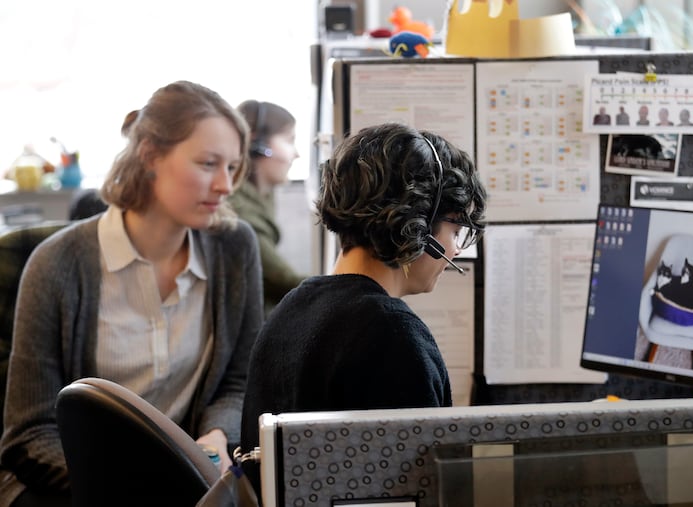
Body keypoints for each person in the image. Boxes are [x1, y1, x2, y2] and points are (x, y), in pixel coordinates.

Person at [0, 80, 264, 507]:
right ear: (150, 157)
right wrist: (130, 485)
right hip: (71, 484)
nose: (224, 185)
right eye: (208, 163)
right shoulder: (57, 265)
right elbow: (28, 435)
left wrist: (217, 434)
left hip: (185, 483)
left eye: (232, 168)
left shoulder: (234, 248)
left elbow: (237, 381)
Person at [239, 122, 487, 494]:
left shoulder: (292, 308)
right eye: (454, 231)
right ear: (418, 228)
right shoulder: (392, 335)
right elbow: (421, 491)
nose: (455, 250)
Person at [228, 100, 307, 316]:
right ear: (259, 145)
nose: (296, 154)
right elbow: (282, 281)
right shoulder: (239, 210)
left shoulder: (261, 195)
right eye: (290, 140)